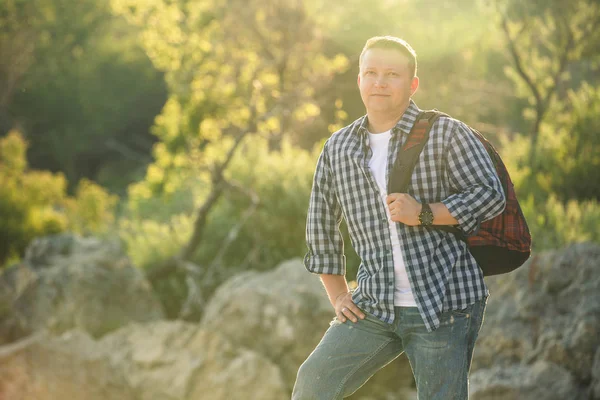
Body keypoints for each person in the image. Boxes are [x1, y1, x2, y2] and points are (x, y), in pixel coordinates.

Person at [292, 36, 506, 400]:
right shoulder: (338, 147)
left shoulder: (446, 133)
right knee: (313, 384)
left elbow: (490, 194)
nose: (380, 82)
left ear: (412, 83)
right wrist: (339, 295)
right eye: (371, 73)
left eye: (392, 74)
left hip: (445, 303)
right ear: (359, 80)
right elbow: (321, 224)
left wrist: (424, 212)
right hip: (373, 304)